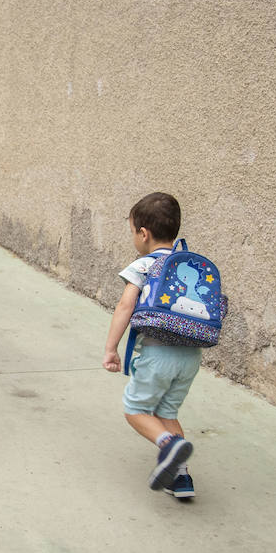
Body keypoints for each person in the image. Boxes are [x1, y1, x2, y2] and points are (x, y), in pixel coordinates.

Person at [102, 191, 200, 500]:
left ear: (143, 234)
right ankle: (181, 479)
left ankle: (168, 446)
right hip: (190, 356)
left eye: (132, 231)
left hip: (157, 354)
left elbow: (124, 307)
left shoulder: (144, 266)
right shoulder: (188, 264)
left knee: (136, 409)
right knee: (167, 412)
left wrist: (110, 348)